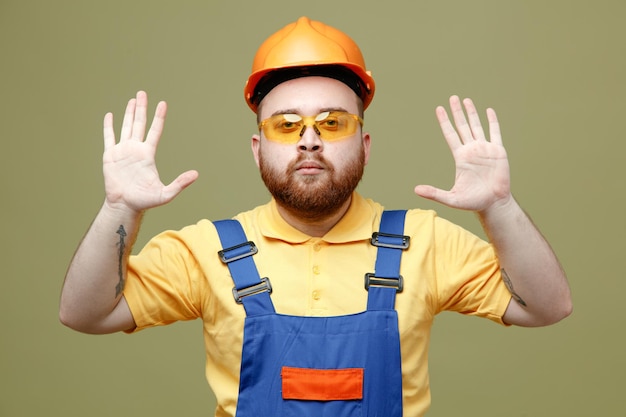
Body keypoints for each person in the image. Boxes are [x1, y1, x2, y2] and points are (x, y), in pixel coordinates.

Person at [60, 16, 572, 417]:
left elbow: (547, 307)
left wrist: (498, 206)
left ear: (365, 145)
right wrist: (119, 208)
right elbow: (86, 315)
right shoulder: (203, 251)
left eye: (332, 122)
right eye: (287, 125)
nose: (310, 139)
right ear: (258, 149)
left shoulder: (425, 241)